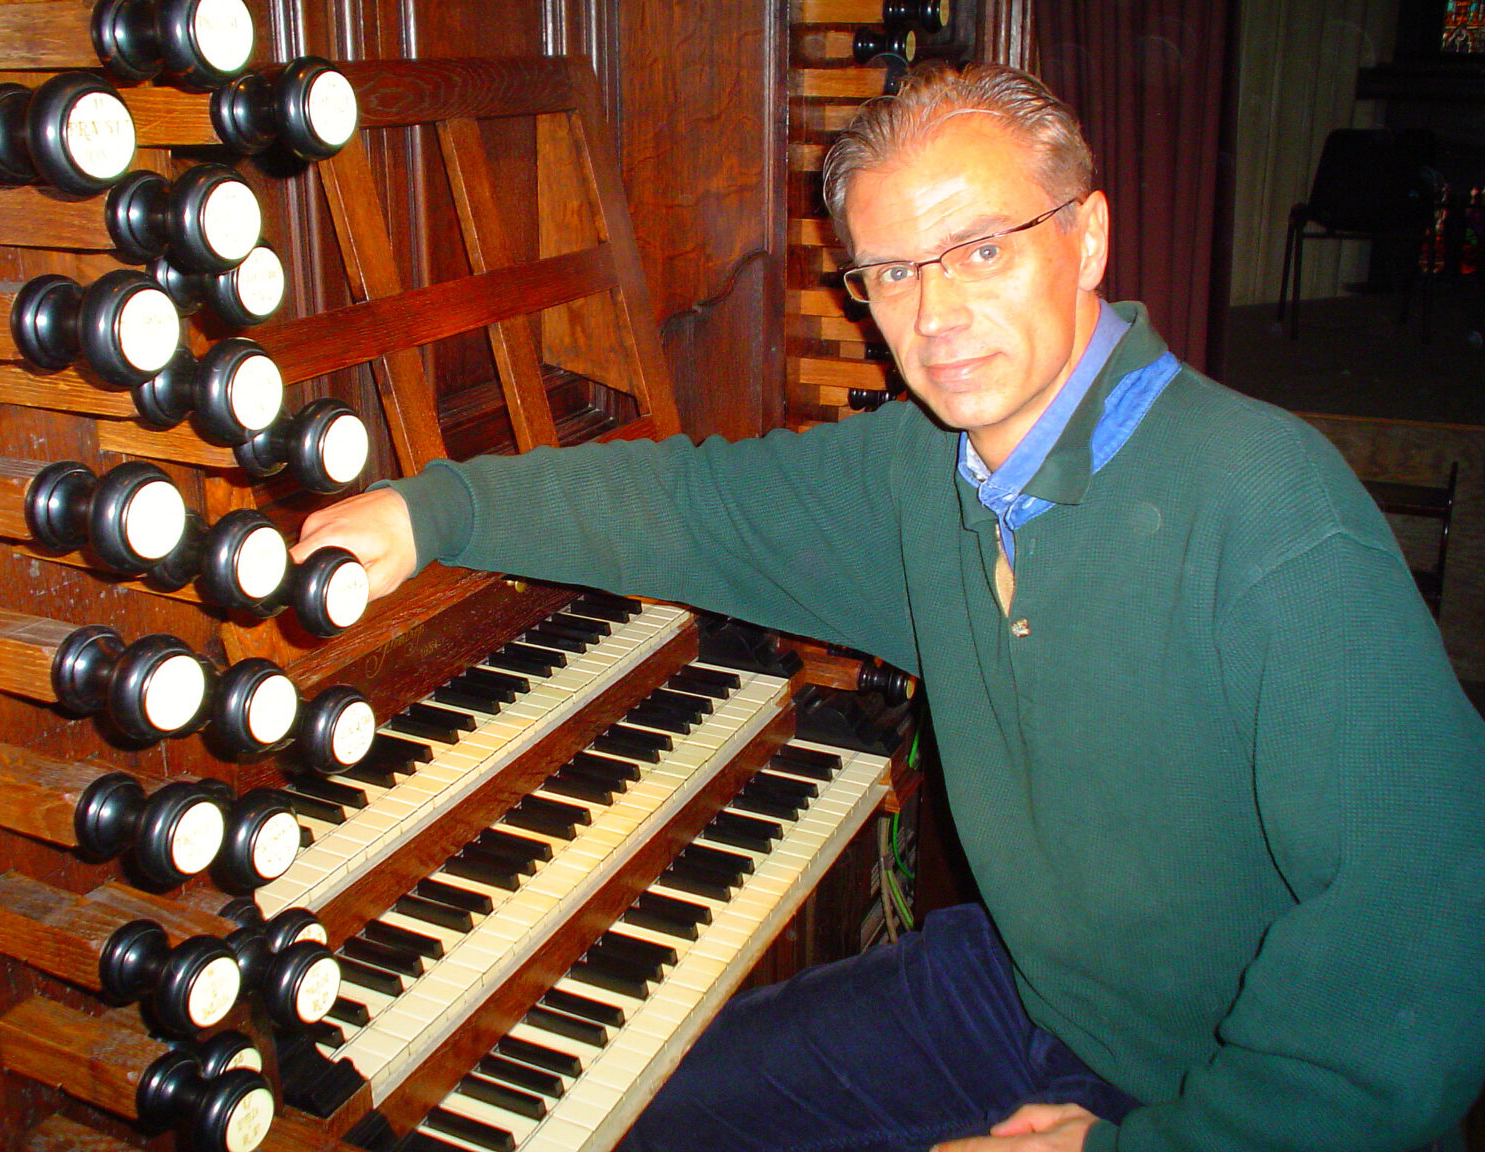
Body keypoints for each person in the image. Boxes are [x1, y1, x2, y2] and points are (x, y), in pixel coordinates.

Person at [294, 62, 1485, 1152]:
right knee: (620, 1118)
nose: (936, 316)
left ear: (1087, 239)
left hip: (1226, 1088)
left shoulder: (1272, 515)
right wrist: (429, 511)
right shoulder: (923, 469)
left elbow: (1421, 980)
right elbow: (692, 505)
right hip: (1028, 993)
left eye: (982, 250)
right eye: (895, 273)